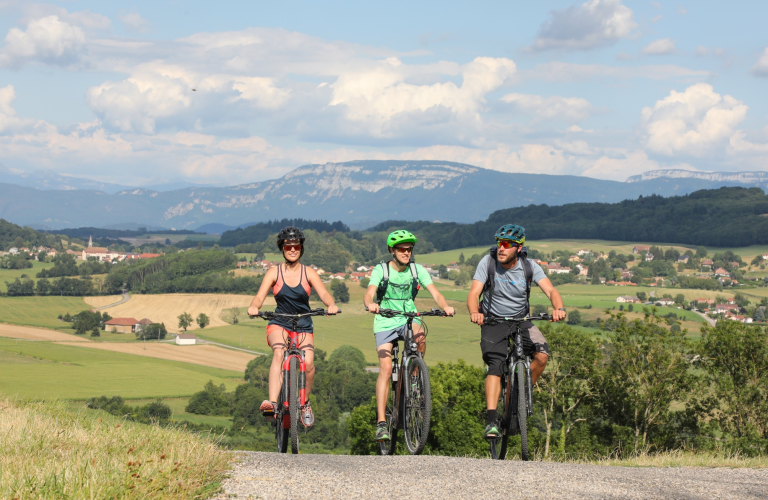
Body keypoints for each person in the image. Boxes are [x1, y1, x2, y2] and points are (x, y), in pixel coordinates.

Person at [466, 224, 566, 439]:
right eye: (498, 243)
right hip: (493, 321)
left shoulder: (529, 267)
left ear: (518, 248)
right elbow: (474, 293)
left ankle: (520, 393)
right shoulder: (488, 262)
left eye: (506, 245)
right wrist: (475, 312)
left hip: (521, 320)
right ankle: (492, 420)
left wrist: (559, 308)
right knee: (496, 365)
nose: (500, 248)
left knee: (542, 354)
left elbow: (551, 290)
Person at [363, 230, 455, 442]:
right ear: (392, 251)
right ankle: (381, 423)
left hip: (407, 318)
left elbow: (436, 293)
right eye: (402, 249)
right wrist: (370, 304)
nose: (406, 252)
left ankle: (414, 377)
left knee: (420, 335)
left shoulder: (417, 270)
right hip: (385, 320)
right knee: (386, 369)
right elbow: (369, 292)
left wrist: (446, 306)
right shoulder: (381, 270)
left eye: (409, 249)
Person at [247, 226, 338, 427]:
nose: (293, 249)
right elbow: (260, 296)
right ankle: (271, 403)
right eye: (288, 246)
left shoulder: (309, 273)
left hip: (304, 324)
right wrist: (254, 307)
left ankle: (304, 403)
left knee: (310, 363)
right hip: (279, 322)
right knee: (279, 352)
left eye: (296, 246)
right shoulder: (274, 272)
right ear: (282, 248)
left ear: (301, 248)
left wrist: (330, 305)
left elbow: (323, 293)